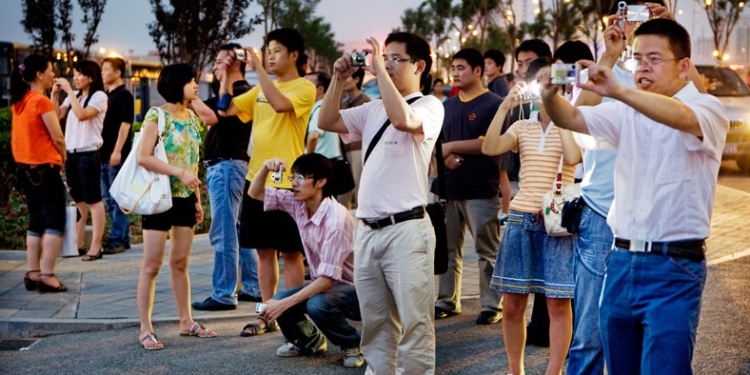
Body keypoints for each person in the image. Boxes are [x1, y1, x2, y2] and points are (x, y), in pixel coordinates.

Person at [540, 19, 727, 375]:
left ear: (684, 66)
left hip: (673, 266)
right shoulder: (626, 111)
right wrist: (549, 94)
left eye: (654, 59)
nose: (642, 68)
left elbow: (684, 118)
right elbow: (575, 118)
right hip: (621, 260)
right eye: (637, 59)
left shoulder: (706, 108)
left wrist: (621, 91)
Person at [558, 3, 686, 374]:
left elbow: (693, 102)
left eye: (648, 11)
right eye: (630, 12)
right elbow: (577, 119)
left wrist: (673, 30)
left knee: (653, 340)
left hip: (653, 217)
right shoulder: (609, 67)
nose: (637, 20)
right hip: (601, 210)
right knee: (589, 333)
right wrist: (610, 54)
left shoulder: (671, 75)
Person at [318, 32, 444, 374]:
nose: (385, 63)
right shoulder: (372, 109)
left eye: (394, 59)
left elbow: (404, 120)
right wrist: (337, 80)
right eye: (383, 57)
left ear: (418, 66)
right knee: (375, 324)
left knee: (414, 324)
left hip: (407, 230)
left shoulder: (430, 106)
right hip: (367, 230)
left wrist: (380, 72)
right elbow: (326, 121)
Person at [219, 28, 316, 336]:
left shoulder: (304, 88)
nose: (270, 55)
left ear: (294, 55)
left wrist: (258, 68)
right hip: (257, 181)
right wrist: (228, 73)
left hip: (290, 183)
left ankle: (293, 312)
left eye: (276, 50)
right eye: (267, 51)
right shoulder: (262, 87)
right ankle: (266, 313)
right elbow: (226, 109)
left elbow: (280, 105)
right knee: (263, 251)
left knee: (290, 253)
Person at [482, 58, 576, 375]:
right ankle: (515, 370)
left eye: (553, 80)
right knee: (512, 306)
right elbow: (491, 147)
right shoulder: (522, 125)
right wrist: (505, 105)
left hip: (557, 220)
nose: (546, 87)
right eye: (541, 81)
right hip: (521, 218)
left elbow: (575, 157)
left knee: (557, 303)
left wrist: (560, 112)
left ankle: (553, 371)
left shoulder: (573, 121)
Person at [248, 154, 364, 368]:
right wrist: (266, 168)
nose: (294, 182)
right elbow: (255, 193)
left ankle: (352, 344)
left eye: (301, 177)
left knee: (315, 304)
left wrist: (283, 305)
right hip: (327, 285)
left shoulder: (336, 221)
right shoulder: (298, 204)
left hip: (356, 290)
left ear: (321, 182)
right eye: (293, 176)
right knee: (276, 299)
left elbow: (327, 281)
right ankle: (309, 341)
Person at [135, 63, 217, 350]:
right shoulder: (156, 116)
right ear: (175, 84)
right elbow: (144, 157)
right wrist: (178, 173)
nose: (196, 85)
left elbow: (192, 161)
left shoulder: (193, 119)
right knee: (152, 265)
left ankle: (186, 321)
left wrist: (196, 200)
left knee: (180, 263)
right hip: (159, 198)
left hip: (184, 199)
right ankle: (145, 329)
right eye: (191, 81)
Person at [434, 48, 503, 325]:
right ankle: (447, 300)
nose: (455, 73)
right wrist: (446, 156)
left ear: (477, 71)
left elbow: (489, 143)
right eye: (453, 68)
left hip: (481, 188)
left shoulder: (494, 104)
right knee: (449, 249)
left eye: (461, 67)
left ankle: (492, 304)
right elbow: (435, 143)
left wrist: (451, 146)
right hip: (449, 188)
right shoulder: (446, 106)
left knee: (487, 250)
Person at [191, 43, 261, 311]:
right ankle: (252, 287)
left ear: (234, 64)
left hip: (228, 168)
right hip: (234, 168)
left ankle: (223, 293)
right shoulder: (235, 93)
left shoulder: (240, 93)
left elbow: (211, 116)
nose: (215, 67)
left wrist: (189, 96)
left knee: (224, 232)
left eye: (219, 62)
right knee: (239, 230)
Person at [11, 54, 68, 293]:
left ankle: (33, 272)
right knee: (55, 221)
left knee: (36, 221)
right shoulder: (40, 101)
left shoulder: (20, 101)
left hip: (25, 171)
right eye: (50, 70)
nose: (53, 74)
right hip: (45, 170)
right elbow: (57, 136)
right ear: (39, 74)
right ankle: (47, 275)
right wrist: (63, 159)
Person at [52, 60, 108, 261]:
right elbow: (57, 114)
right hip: (72, 154)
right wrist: (55, 94)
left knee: (94, 200)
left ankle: (96, 246)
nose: (74, 78)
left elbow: (82, 115)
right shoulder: (74, 96)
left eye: (79, 74)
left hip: (88, 153)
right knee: (79, 201)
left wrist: (68, 90)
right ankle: (77, 244)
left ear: (91, 77)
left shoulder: (99, 97)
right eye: (73, 75)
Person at [99, 57, 134, 255]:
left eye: (106, 69)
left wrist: (117, 150)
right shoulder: (104, 96)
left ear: (117, 72)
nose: (103, 73)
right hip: (102, 154)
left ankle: (117, 239)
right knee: (108, 198)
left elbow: (126, 124)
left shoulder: (124, 96)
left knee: (118, 198)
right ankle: (123, 237)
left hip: (116, 155)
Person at [304, 71, 352, 207]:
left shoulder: (319, 109)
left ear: (320, 89)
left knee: (322, 207)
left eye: (308, 83)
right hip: (330, 163)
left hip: (322, 164)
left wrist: (307, 159)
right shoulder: (325, 109)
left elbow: (313, 136)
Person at [340, 67, 371, 208]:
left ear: (357, 80)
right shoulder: (345, 103)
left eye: (348, 77)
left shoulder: (365, 101)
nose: (344, 80)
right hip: (345, 151)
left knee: (358, 188)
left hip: (359, 150)